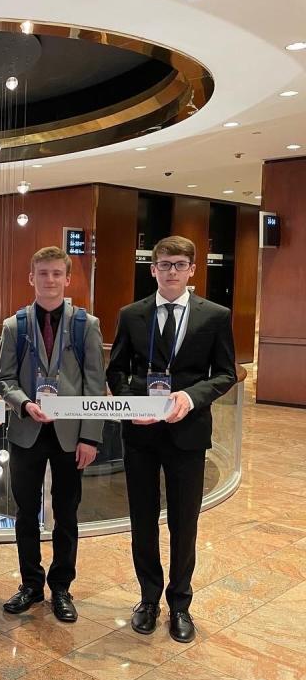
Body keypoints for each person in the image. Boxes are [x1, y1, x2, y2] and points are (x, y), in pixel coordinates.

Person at [106, 235, 237, 643]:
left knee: (184, 523)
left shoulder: (214, 315)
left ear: (192, 270)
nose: (172, 271)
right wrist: (132, 404)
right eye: (165, 264)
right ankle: (148, 599)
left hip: (188, 434)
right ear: (153, 269)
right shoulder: (132, 314)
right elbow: (116, 371)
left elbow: (226, 373)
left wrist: (190, 396)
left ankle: (181, 603)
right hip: (141, 436)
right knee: (142, 521)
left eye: (180, 264)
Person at [0, 247, 106, 622]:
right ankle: (30, 583)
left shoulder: (85, 325)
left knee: (67, 512)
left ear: (67, 278)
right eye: (42, 273)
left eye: (57, 273)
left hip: (70, 434)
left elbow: (95, 383)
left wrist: (90, 437)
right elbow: (4, 379)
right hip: (27, 430)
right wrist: (24, 403)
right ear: (32, 278)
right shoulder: (15, 326)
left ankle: (61, 587)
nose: (50, 280)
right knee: (26, 512)